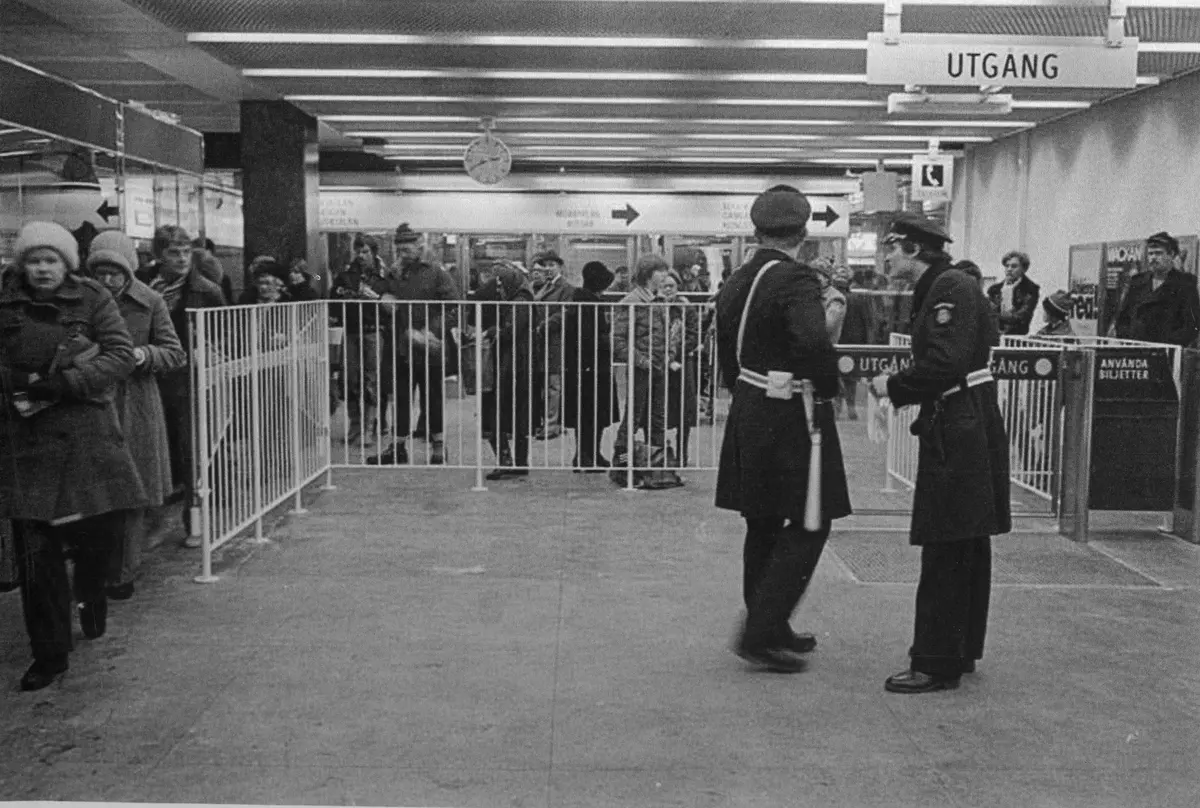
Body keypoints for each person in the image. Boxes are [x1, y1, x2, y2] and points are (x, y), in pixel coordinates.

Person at [0, 222, 149, 691]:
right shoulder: (3, 303)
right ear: (22, 264)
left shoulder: (91, 299)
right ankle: (49, 653)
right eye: (34, 260)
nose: (42, 269)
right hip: (26, 443)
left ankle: (91, 594)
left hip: (86, 437)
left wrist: (66, 384)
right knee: (37, 552)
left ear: (66, 264)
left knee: (94, 537)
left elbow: (121, 355)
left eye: (51, 260)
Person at [869, 212, 1011, 694]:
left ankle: (935, 661)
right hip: (967, 418)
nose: (885, 257)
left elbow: (945, 362)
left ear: (912, 250)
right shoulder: (945, 285)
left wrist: (892, 385)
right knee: (966, 540)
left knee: (947, 541)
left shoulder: (948, 287)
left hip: (959, 423)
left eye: (891, 249)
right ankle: (960, 648)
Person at [715, 185, 852, 674]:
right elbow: (813, 343)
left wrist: (745, 388)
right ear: (805, 232)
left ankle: (768, 624)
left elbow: (725, 349)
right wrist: (831, 388)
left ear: (755, 230)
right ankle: (760, 630)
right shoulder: (795, 279)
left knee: (764, 521)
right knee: (812, 520)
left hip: (750, 406)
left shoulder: (737, 278)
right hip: (791, 412)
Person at [84, 231, 186, 601]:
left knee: (131, 491)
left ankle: (122, 572)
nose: (108, 281)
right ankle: (97, 569)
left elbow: (174, 353)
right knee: (97, 490)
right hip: (89, 401)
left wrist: (142, 356)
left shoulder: (150, 302)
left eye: (115, 272)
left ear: (129, 270)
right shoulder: (79, 302)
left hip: (135, 403)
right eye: (101, 272)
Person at [139, 225, 225, 546]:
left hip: (189, 378)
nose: (182, 258)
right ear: (159, 255)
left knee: (191, 451)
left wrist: (208, 350)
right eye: (174, 252)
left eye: (187, 252)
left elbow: (224, 331)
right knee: (154, 448)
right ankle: (155, 518)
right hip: (150, 375)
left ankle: (195, 521)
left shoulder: (207, 290)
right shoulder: (144, 288)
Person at [368, 223, 459, 466]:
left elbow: (454, 307)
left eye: (407, 250)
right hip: (400, 345)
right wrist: (383, 301)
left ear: (420, 247)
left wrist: (430, 331)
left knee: (433, 398)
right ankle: (397, 447)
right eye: (399, 251)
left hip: (429, 346)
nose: (402, 255)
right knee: (400, 397)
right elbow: (384, 304)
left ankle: (439, 447)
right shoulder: (394, 274)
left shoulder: (438, 272)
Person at [610, 254, 683, 490]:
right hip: (642, 369)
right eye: (660, 272)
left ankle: (657, 465)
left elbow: (667, 335)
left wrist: (668, 355)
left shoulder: (658, 300)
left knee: (657, 418)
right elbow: (618, 340)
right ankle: (621, 465)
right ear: (648, 274)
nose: (665, 276)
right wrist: (641, 361)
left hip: (658, 368)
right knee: (633, 418)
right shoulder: (632, 301)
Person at [477, 262, 537, 480]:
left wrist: (493, 332)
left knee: (498, 414)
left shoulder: (519, 302)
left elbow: (511, 333)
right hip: (516, 365)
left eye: (501, 283)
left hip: (512, 366)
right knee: (517, 417)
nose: (499, 289)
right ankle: (518, 462)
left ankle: (506, 461)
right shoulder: (520, 299)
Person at [329, 233, 390, 445]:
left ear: (374, 253)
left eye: (365, 251)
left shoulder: (383, 276)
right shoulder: (346, 275)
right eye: (358, 251)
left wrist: (373, 297)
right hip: (352, 330)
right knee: (350, 379)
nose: (361, 256)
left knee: (371, 379)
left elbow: (390, 303)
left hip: (374, 330)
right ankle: (355, 426)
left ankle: (369, 427)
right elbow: (332, 298)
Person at [562, 261, 620, 471]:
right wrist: (610, 340)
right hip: (591, 367)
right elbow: (589, 337)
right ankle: (587, 456)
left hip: (585, 367)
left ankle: (588, 454)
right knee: (592, 414)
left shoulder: (583, 299)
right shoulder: (588, 303)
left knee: (587, 414)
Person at [1113, 231, 1200, 347]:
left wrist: (1166, 346)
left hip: (1166, 354)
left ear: (1172, 255)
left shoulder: (1185, 284)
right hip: (1136, 351)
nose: (1153, 258)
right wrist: (1130, 340)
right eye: (1150, 254)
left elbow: (1191, 326)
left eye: (1158, 253)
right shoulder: (1137, 282)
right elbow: (1122, 319)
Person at [531, 251, 577, 441]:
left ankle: (552, 424)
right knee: (544, 383)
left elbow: (565, 312)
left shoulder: (566, 288)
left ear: (560, 267)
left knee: (553, 384)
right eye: (545, 265)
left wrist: (545, 325)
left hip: (555, 341)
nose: (548, 269)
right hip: (541, 341)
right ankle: (545, 422)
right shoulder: (542, 287)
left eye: (552, 265)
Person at [659, 272, 701, 465]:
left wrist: (674, 354)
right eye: (664, 286)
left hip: (683, 364)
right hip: (660, 364)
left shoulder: (686, 308)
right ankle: (659, 453)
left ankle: (682, 454)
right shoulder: (654, 307)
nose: (668, 289)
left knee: (683, 411)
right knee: (658, 410)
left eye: (672, 286)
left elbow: (693, 335)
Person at [835, 265, 877, 420]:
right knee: (851, 377)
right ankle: (851, 407)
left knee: (836, 375)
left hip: (837, 342)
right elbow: (868, 323)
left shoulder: (833, 300)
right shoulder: (858, 299)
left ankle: (838, 407)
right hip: (854, 343)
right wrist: (867, 344)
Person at [986, 251, 1040, 336]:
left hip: (1016, 337)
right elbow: (988, 313)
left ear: (1023, 269)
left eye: (1014, 266)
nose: (1009, 269)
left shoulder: (1030, 289)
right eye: (1007, 266)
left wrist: (999, 316)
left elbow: (1023, 317)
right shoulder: (994, 290)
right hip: (994, 335)